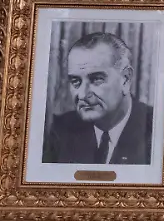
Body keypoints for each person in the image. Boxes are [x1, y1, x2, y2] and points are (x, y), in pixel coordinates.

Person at [42, 31, 154, 166]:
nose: (83, 95)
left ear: (125, 79)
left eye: (96, 79)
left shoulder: (158, 130)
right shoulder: (62, 130)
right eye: (76, 81)